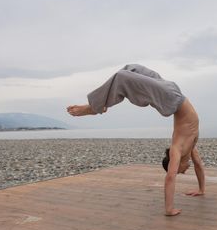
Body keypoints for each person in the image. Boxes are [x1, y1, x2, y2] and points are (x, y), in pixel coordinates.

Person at [67, 64, 205, 216]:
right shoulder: (185, 148)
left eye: (180, 172)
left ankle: (96, 106)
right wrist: (172, 207)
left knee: (127, 72)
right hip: (173, 96)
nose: (183, 172)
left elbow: (171, 176)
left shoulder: (178, 150)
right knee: (125, 73)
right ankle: (95, 106)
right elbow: (191, 168)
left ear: (175, 165)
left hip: (171, 96)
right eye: (181, 172)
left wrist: (199, 190)